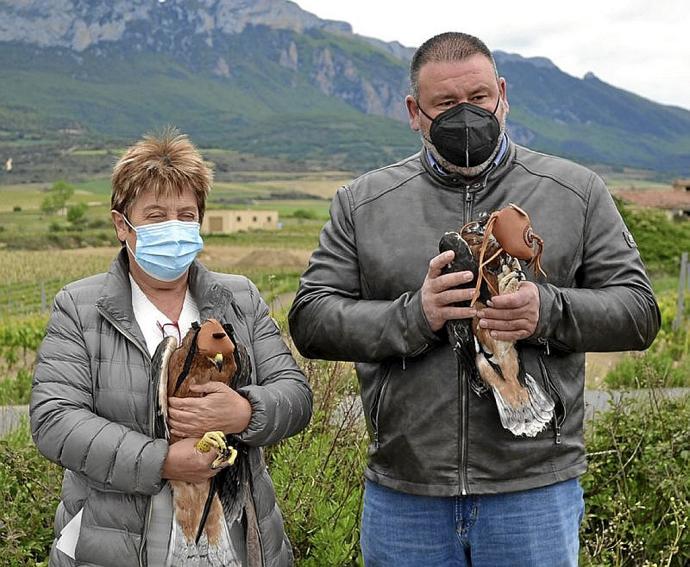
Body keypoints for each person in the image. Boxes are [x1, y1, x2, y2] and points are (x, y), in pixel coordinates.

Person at [288, 32, 660, 566]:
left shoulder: (575, 191)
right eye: (445, 104)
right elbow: (311, 318)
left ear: (502, 94)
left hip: (533, 489)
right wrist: (416, 316)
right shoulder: (362, 203)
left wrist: (546, 311)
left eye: (479, 98)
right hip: (406, 495)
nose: (467, 114)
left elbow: (639, 312)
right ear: (415, 112)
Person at [30, 129, 312, 566]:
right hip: (115, 542)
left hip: (234, 536)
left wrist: (246, 411)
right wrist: (161, 461)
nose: (174, 229)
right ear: (122, 225)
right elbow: (55, 420)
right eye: (156, 216)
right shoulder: (81, 307)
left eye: (186, 215)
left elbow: (294, 393)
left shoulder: (239, 297)